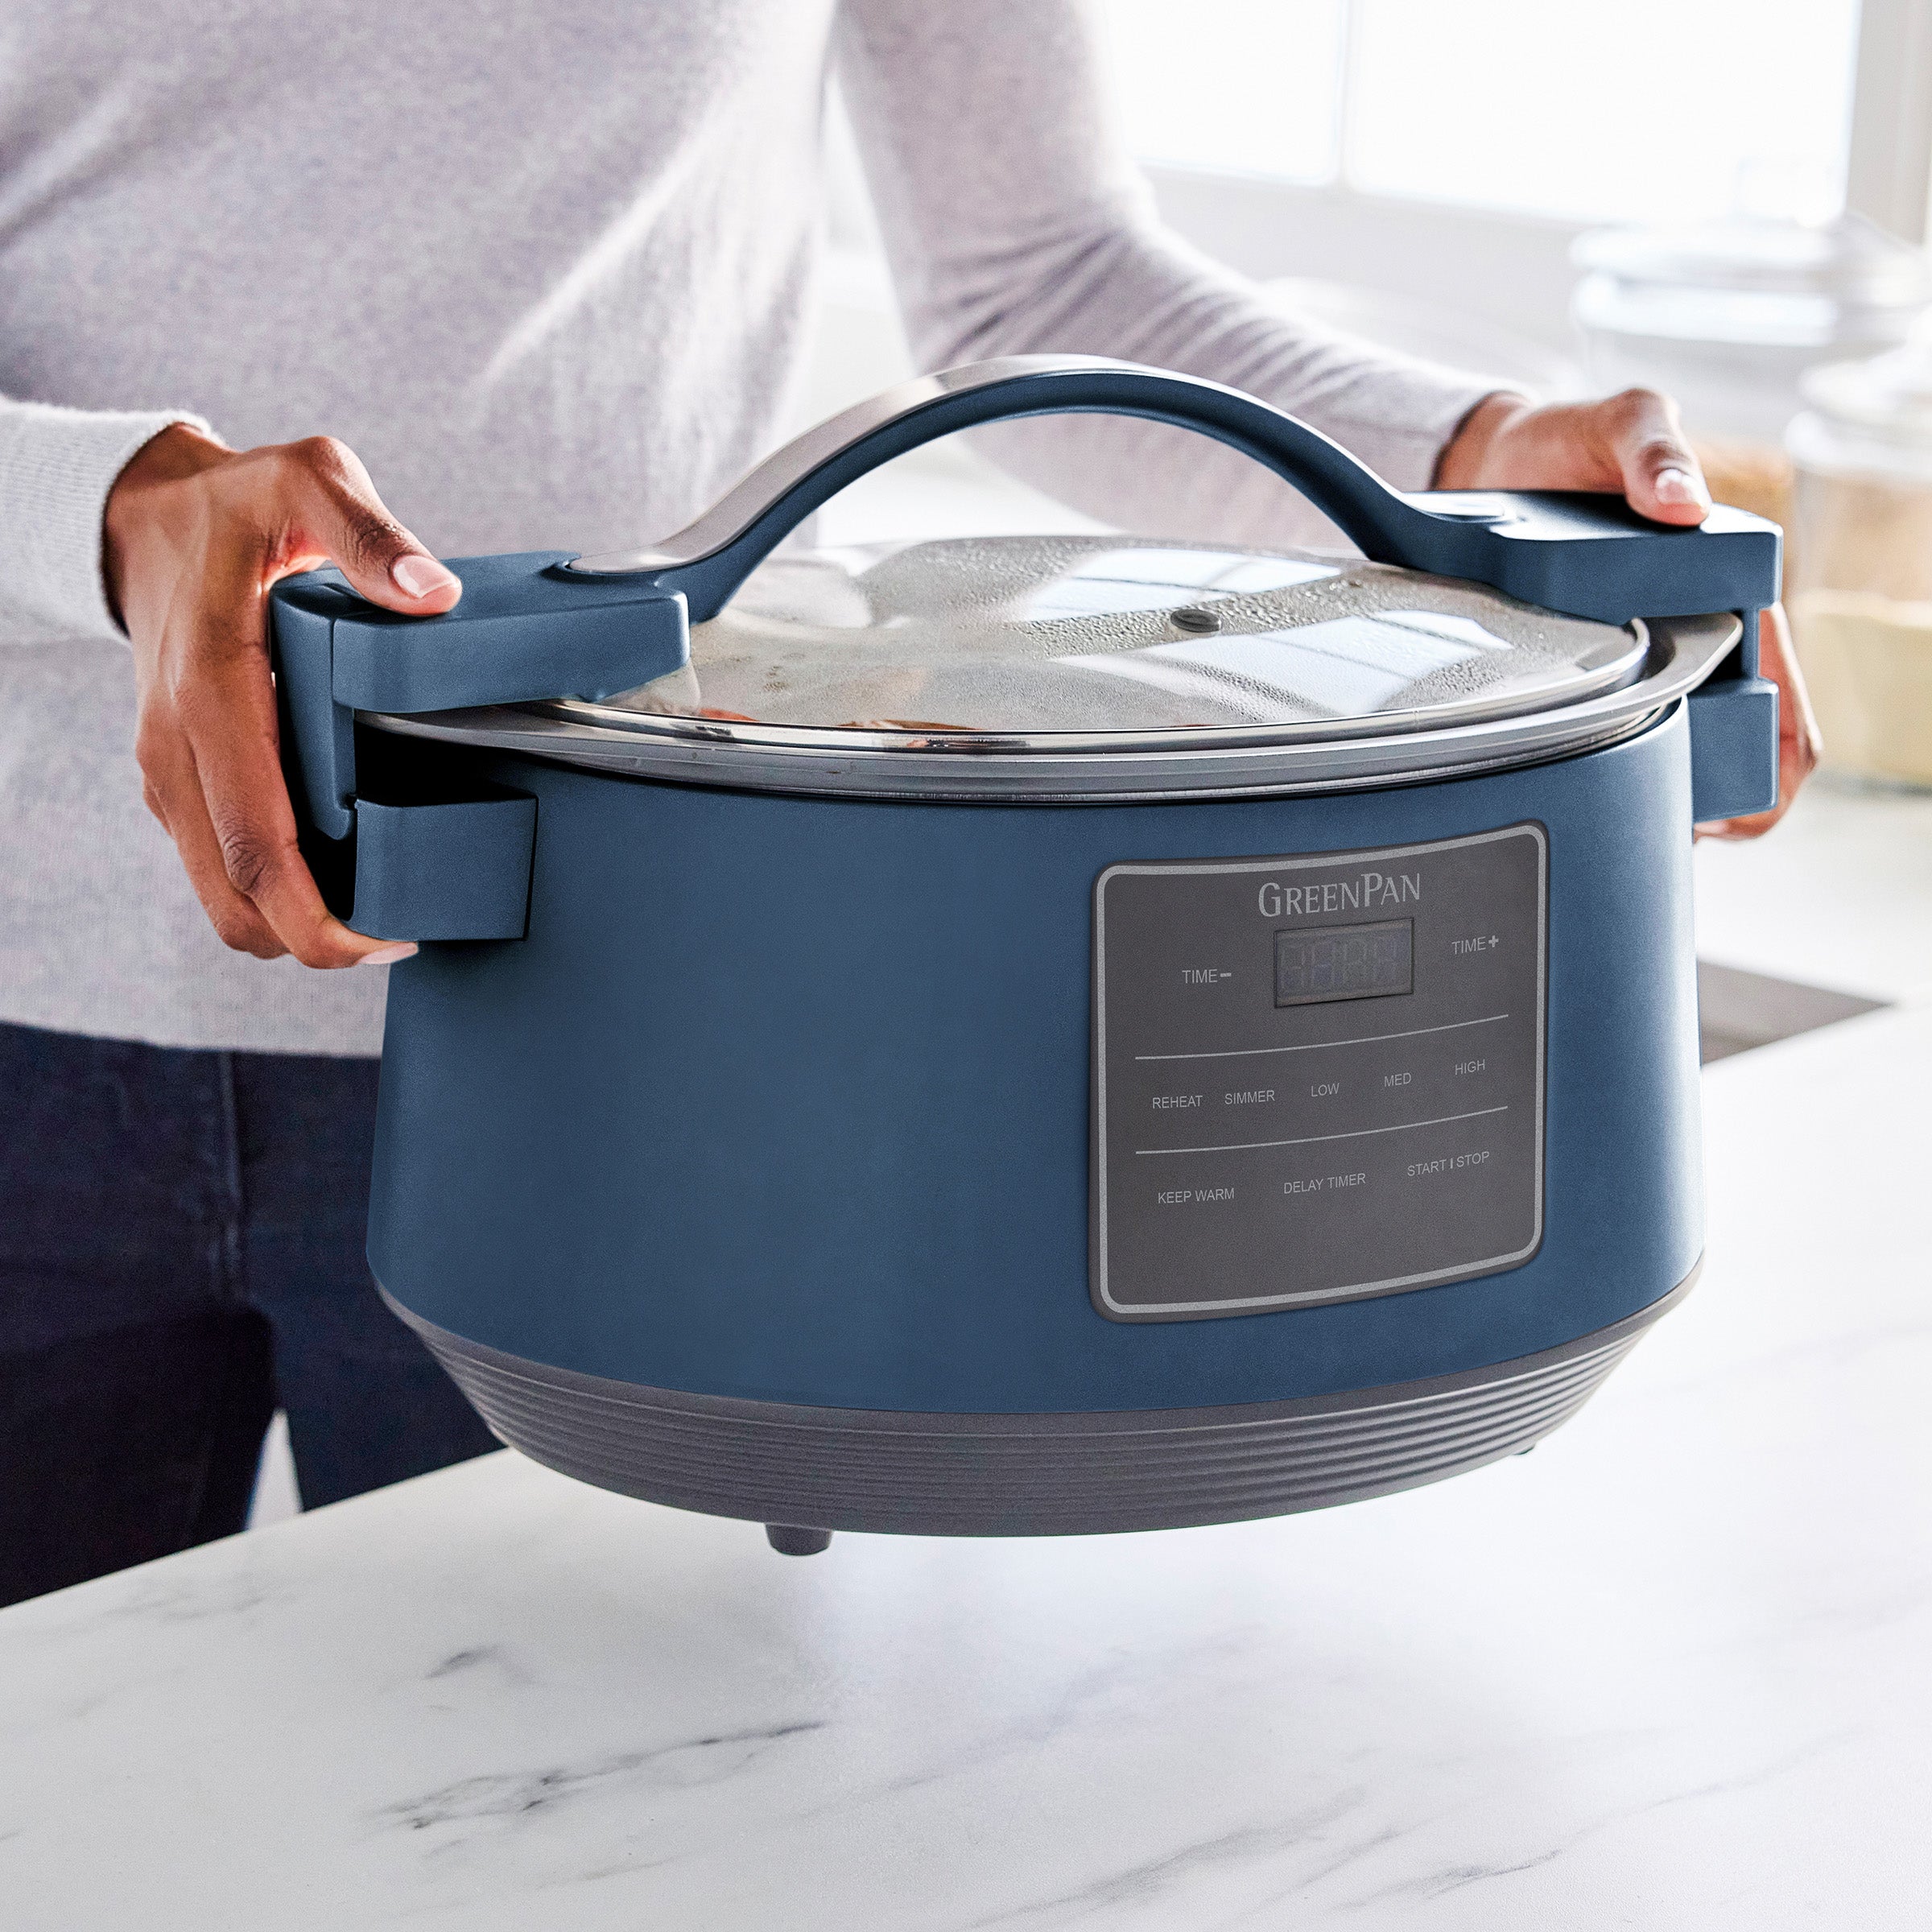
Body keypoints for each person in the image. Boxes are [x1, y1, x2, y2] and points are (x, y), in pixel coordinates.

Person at [0, 0, 1816, 1605]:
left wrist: (1462, 466)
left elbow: (1042, 273)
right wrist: (109, 510)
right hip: (23, 1013)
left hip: (622, 1043)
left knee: (585, 1831)